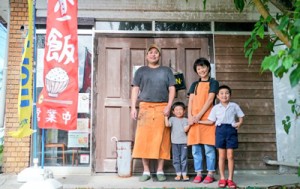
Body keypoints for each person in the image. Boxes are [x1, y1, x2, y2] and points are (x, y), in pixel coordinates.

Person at [131, 44, 176, 182]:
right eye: (150, 52)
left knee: (162, 140)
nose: (153, 54)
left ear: (159, 56)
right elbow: (135, 89)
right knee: (144, 140)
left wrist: (169, 106)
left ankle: (160, 170)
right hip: (145, 108)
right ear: (147, 56)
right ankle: (146, 171)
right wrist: (133, 107)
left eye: (156, 53)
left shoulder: (166, 70)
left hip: (162, 108)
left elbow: (172, 89)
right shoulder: (141, 71)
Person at [199, 85, 244, 189]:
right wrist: (199, 121)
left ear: (230, 95)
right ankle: (222, 178)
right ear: (218, 96)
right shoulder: (215, 108)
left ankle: (230, 179)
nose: (224, 95)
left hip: (231, 130)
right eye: (222, 93)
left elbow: (241, 116)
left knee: (230, 155)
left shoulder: (234, 106)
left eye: (227, 93)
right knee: (222, 156)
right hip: (220, 131)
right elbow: (211, 121)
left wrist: (239, 123)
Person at [184, 57, 219, 184]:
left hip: (207, 120)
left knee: (209, 149)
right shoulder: (194, 85)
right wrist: (190, 118)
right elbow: (191, 101)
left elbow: (210, 100)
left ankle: (210, 173)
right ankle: (198, 173)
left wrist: (199, 115)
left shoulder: (214, 83)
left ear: (208, 68)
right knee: (196, 150)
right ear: (196, 71)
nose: (201, 70)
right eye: (199, 68)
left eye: (203, 67)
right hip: (194, 121)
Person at [164, 101, 190, 181]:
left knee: (183, 158)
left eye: (181, 109)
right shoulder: (172, 119)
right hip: (174, 142)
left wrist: (190, 123)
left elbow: (185, 130)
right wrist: (165, 117)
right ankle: (178, 174)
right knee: (176, 159)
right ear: (173, 111)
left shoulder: (186, 120)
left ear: (184, 111)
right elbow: (167, 125)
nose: (179, 111)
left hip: (183, 142)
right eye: (176, 110)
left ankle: (184, 174)